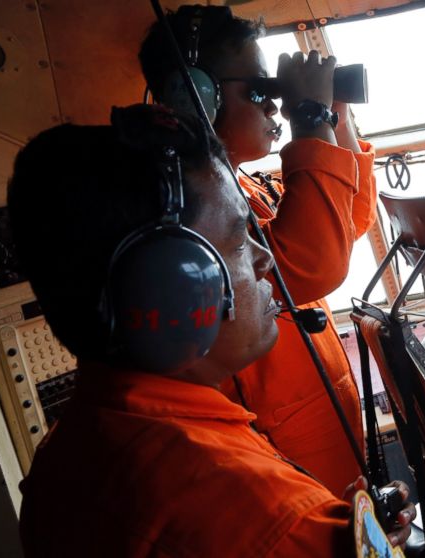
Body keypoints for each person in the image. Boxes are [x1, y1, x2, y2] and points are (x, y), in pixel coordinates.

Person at [12, 105, 425, 557]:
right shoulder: (266, 518)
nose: (266, 260)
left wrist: (341, 533)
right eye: (240, 241)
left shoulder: (72, 447)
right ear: (172, 288)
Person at [138, 5, 376, 493]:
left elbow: (348, 223)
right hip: (279, 447)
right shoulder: (186, 204)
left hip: (323, 428)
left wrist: (334, 115)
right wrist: (307, 116)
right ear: (197, 97)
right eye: (260, 91)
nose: (274, 107)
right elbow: (312, 265)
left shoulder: (249, 187)